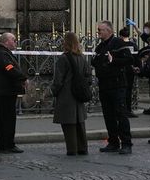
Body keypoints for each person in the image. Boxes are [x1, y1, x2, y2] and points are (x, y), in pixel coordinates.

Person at [91, 20, 133, 155]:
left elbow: (128, 59)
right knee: (108, 115)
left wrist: (113, 61)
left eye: (100, 30)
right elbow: (95, 61)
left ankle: (126, 143)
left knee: (121, 114)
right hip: (104, 84)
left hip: (117, 84)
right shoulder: (100, 46)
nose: (98, 32)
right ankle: (113, 142)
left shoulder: (118, 43)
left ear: (108, 31)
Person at [52, 31, 92, 156]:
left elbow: (58, 80)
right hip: (79, 94)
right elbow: (88, 76)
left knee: (68, 124)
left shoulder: (63, 58)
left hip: (66, 95)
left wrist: (53, 91)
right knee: (80, 122)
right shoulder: (82, 57)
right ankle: (82, 148)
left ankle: (72, 149)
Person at [0, 32, 27, 153]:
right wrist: (22, 77)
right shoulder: (1, 53)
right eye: (13, 40)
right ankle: (7, 145)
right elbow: (8, 67)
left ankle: (5, 144)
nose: (15, 42)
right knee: (6, 119)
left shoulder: (2, 52)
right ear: (6, 41)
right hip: (4, 91)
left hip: (4, 91)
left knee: (4, 119)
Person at [118, 26, 139, 117]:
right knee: (129, 90)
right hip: (131, 70)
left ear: (120, 36)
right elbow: (137, 57)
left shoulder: (119, 44)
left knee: (121, 90)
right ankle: (128, 109)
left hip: (121, 69)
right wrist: (137, 67)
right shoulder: (133, 45)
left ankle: (121, 109)